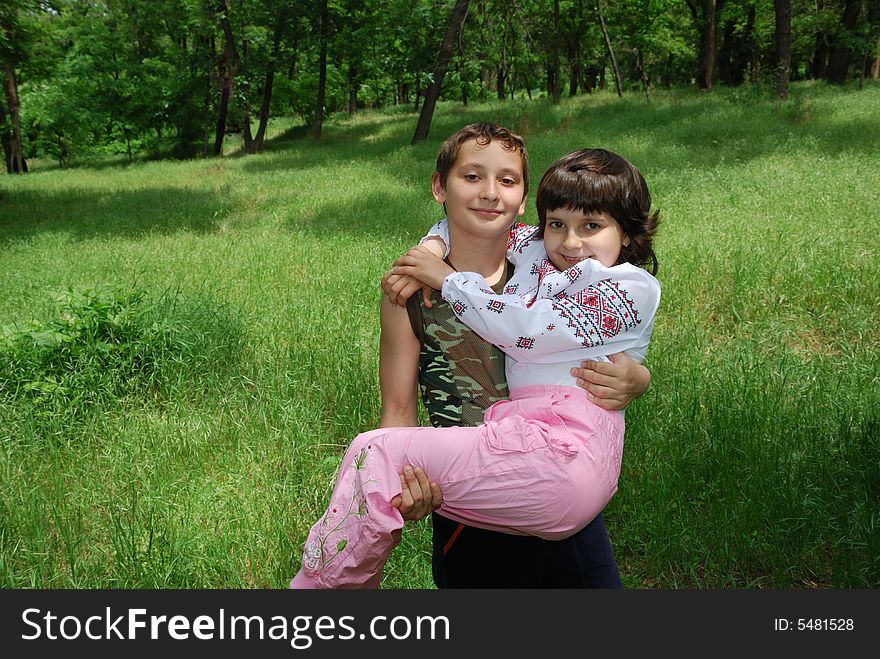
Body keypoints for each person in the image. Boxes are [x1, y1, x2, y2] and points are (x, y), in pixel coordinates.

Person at [289, 138, 660, 589]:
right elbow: (398, 412)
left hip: (555, 468)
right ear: (440, 187)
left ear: (521, 199)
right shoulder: (531, 257)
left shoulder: (585, 277)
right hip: (472, 494)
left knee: (373, 454)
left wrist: (638, 377)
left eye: (506, 180)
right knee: (381, 456)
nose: (489, 192)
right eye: (471, 176)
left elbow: (540, 330)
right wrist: (429, 248)